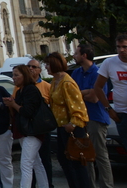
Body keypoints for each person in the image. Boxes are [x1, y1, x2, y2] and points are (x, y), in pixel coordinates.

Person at [45, 52, 91, 188]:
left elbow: (78, 106)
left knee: (76, 162)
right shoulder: (55, 81)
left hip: (72, 128)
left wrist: (74, 123)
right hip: (61, 126)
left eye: (48, 64)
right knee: (64, 160)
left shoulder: (67, 82)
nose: (46, 67)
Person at [72, 44, 114, 188]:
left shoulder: (98, 73)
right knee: (86, 156)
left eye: (76, 53)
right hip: (81, 119)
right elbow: (72, 95)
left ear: (84, 55)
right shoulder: (76, 73)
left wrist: (79, 93)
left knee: (100, 155)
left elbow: (95, 98)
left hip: (96, 118)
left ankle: (106, 185)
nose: (74, 56)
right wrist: (85, 92)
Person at [4, 65, 49, 188]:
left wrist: (13, 104)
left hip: (32, 130)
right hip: (24, 130)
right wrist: (11, 105)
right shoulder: (20, 91)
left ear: (24, 76)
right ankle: (45, 185)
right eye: (13, 75)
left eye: (16, 75)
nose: (13, 78)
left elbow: (27, 111)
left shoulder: (31, 90)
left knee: (26, 163)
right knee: (36, 162)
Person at [95, 34, 127, 151]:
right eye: (118, 47)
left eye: (124, 46)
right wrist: (108, 109)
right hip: (121, 114)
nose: (121, 50)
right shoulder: (109, 63)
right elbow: (98, 87)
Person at [27, 58, 54, 188]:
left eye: (33, 67)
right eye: (29, 66)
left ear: (39, 70)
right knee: (29, 161)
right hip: (28, 128)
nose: (30, 69)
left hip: (43, 127)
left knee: (45, 159)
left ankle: (48, 184)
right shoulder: (21, 87)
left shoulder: (47, 86)